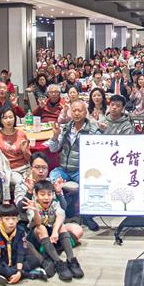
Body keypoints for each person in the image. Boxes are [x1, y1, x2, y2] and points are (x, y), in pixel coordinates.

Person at [46, 99, 101, 231]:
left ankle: (87, 216)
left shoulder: (93, 130)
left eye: (79, 110)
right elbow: (53, 149)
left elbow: (99, 152)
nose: (76, 113)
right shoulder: (65, 128)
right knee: (51, 180)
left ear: (85, 112)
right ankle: (57, 214)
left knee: (91, 184)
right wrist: (55, 136)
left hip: (81, 170)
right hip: (63, 168)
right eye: (74, 110)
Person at [25, 179, 84, 281]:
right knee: (41, 227)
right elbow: (38, 223)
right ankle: (58, 262)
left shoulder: (55, 203)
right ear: (36, 195)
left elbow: (61, 215)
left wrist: (55, 231)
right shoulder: (33, 205)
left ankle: (71, 260)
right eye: (42, 194)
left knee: (62, 226)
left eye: (49, 194)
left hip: (51, 236)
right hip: (37, 238)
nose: (46, 197)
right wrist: (35, 211)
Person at [0, 203, 47, 286]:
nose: (11, 222)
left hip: (15, 260)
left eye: (13, 218)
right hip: (1, 261)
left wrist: (19, 272)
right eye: (7, 219)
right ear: (0, 220)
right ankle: (29, 274)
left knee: (35, 260)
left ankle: (7, 275)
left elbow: (20, 253)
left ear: (17, 219)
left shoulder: (20, 232)